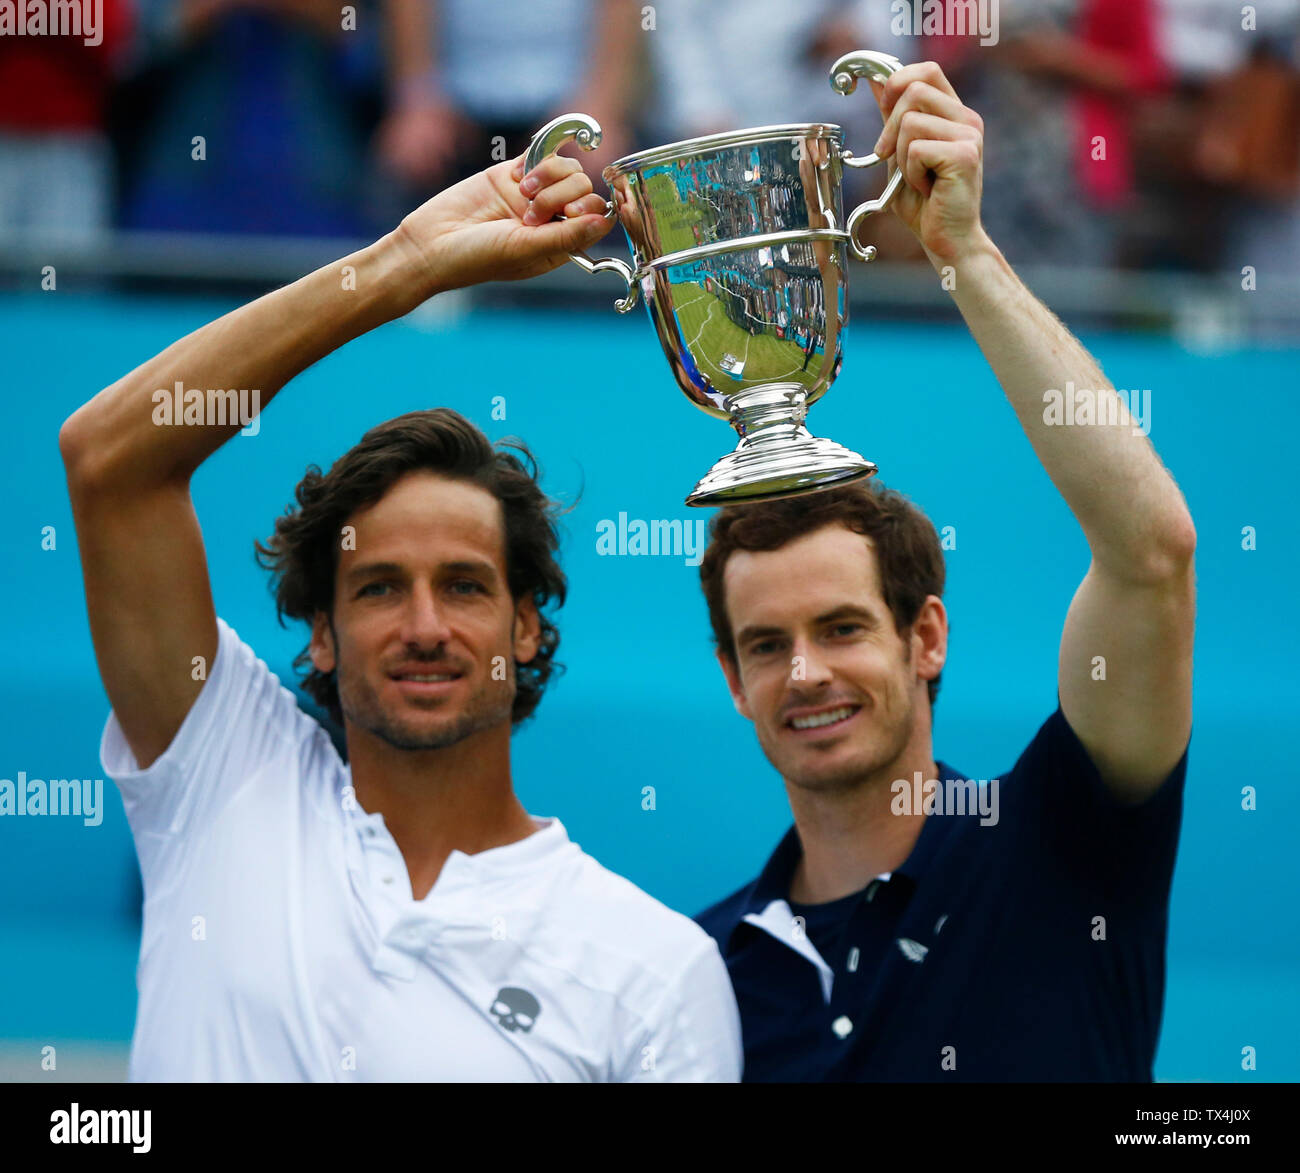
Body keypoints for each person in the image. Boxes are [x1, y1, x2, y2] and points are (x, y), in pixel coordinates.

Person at [58, 152, 741, 1082]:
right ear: (322, 632)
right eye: (378, 587)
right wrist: (404, 263)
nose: (425, 625)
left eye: (464, 585)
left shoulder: (657, 973)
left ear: (527, 626)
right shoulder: (222, 776)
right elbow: (109, 460)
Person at [692, 60, 1196, 1081]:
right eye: (766, 644)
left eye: (840, 628)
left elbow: (1150, 555)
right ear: (731, 680)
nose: (805, 673)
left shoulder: (1063, 841)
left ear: (925, 636)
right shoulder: (695, 975)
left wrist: (960, 250)